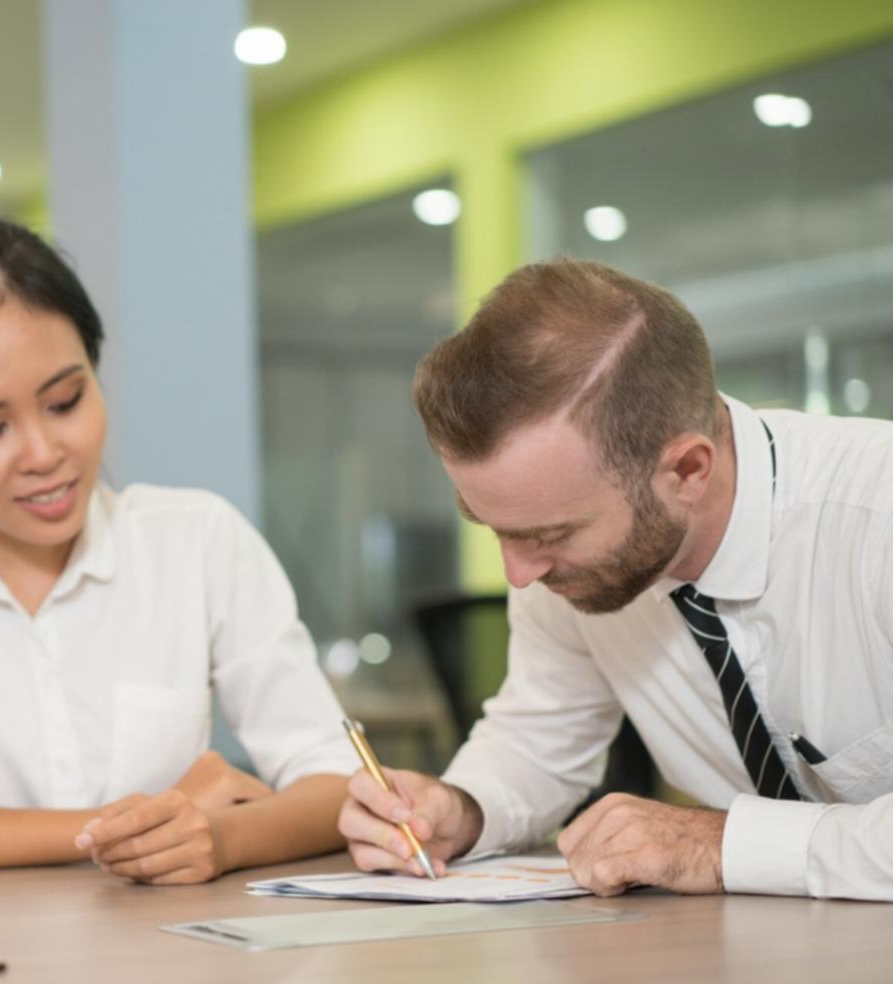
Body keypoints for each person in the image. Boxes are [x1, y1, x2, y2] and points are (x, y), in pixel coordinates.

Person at [0, 219, 352, 883]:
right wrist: (121, 827)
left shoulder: (195, 539)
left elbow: (338, 777)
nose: (44, 454)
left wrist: (220, 836)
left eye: (64, 401)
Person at [340, 258, 893, 901]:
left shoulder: (874, 518)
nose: (518, 575)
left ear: (687, 469)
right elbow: (540, 739)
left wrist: (718, 846)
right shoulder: (566, 564)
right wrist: (460, 809)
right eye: (492, 527)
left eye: (551, 535)